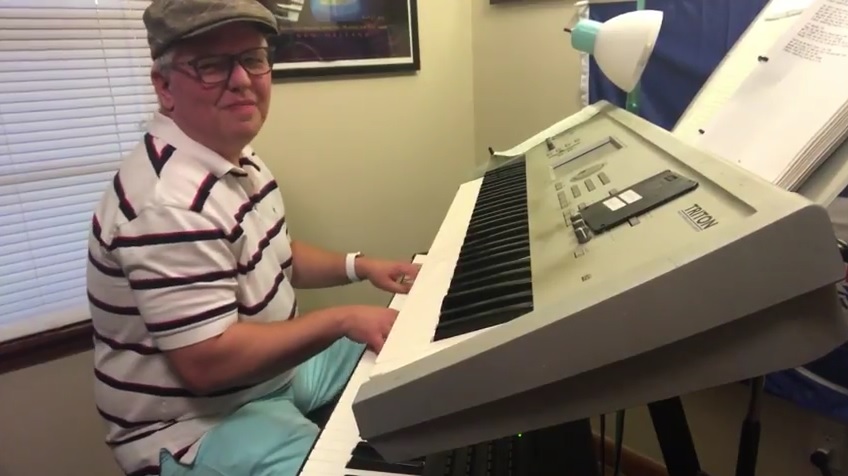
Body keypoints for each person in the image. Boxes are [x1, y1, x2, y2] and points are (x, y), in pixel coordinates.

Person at [85, 1, 420, 475]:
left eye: (252, 58)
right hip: (197, 427)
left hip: (270, 380)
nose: (241, 79)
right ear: (165, 87)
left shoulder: (237, 157)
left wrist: (360, 266)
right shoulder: (167, 205)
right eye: (211, 65)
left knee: (408, 347)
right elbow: (208, 363)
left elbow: (277, 255)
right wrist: (341, 319)